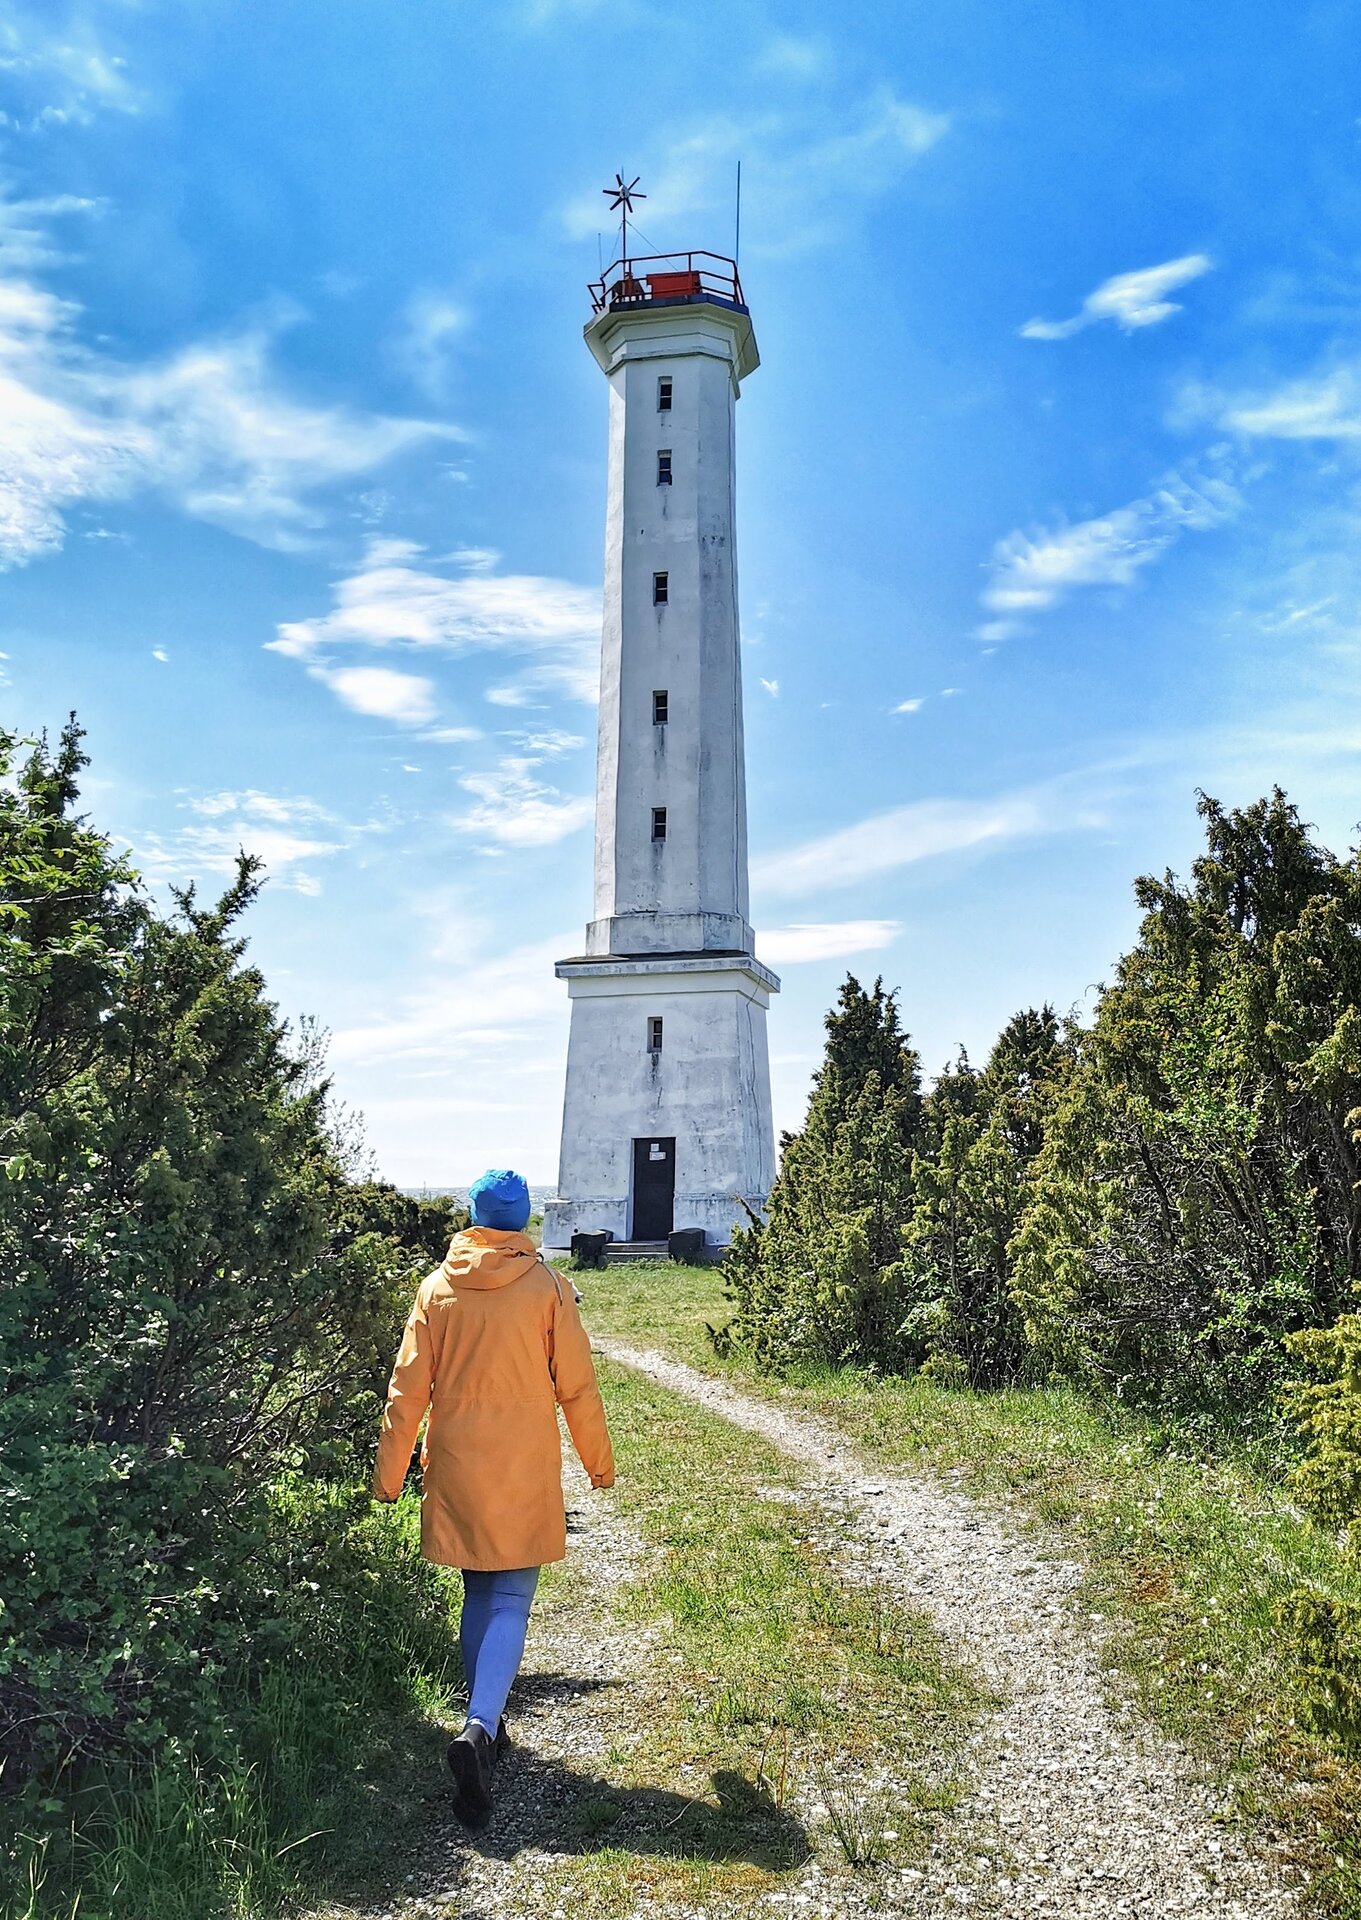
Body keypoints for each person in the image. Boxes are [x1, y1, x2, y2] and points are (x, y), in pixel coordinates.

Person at [372, 1168, 615, 1827]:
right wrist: (598, 1462)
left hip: (455, 1463)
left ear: (473, 1217)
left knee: (479, 1591)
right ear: (522, 1218)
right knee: (511, 1595)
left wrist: (388, 1476)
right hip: (521, 1463)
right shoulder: (546, 1288)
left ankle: (489, 1724)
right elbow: (577, 1386)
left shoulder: (435, 1289)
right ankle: (478, 1729)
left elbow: (405, 1393)